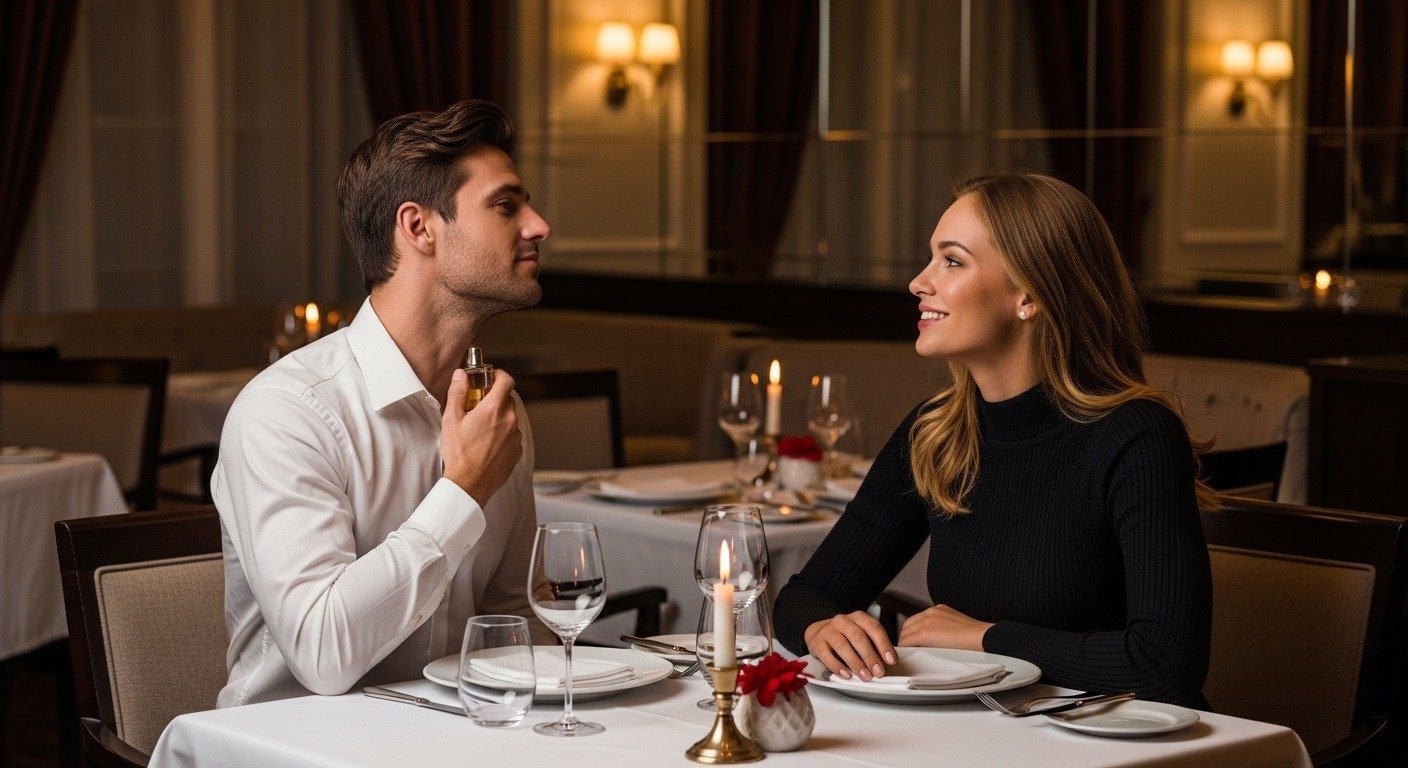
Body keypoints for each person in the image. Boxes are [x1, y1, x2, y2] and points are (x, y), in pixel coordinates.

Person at [773, 172, 1215, 709]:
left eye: (951, 261)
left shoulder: (1137, 436)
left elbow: (1166, 667)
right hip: (989, 734)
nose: (919, 281)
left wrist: (983, 637)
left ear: (1027, 294)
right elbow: (804, 597)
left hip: (1118, 745)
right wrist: (824, 627)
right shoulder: (936, 432)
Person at [212, 99, 553, 707]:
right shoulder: (288, 411)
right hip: (290, 748)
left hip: (452, 741)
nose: (538, 225)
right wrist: (465, 490)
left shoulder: (494, 408)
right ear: (418, 227)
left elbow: (513, 616)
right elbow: (323, 654)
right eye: (506, 205)